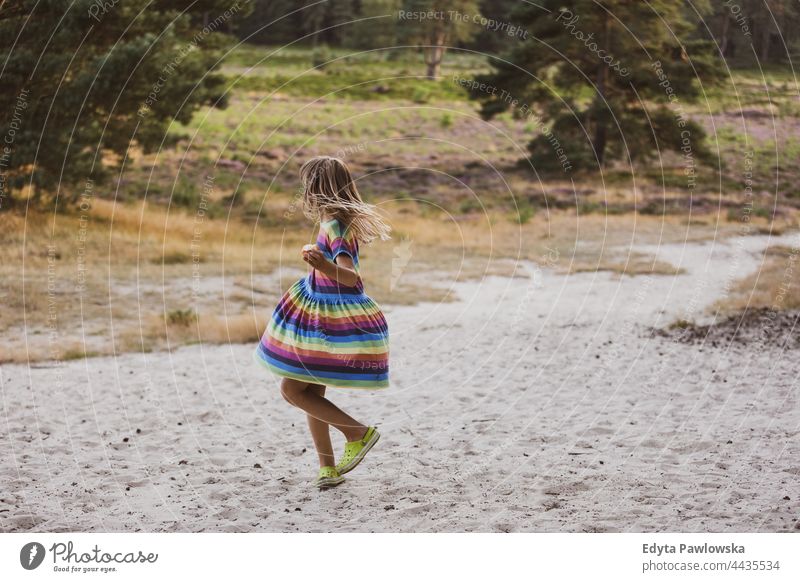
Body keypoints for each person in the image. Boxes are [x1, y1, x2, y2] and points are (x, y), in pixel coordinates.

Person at [254, 156, 391, 489]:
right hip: (319, 311)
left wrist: (323, 265)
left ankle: (357, 432)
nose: (305, 192)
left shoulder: (336, 227)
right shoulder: (333, 222)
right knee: (312, 390)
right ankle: (327, 468)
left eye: (308, 185)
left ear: (317, 188)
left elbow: (351, 278)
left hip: (326, 319)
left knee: (291, 389)